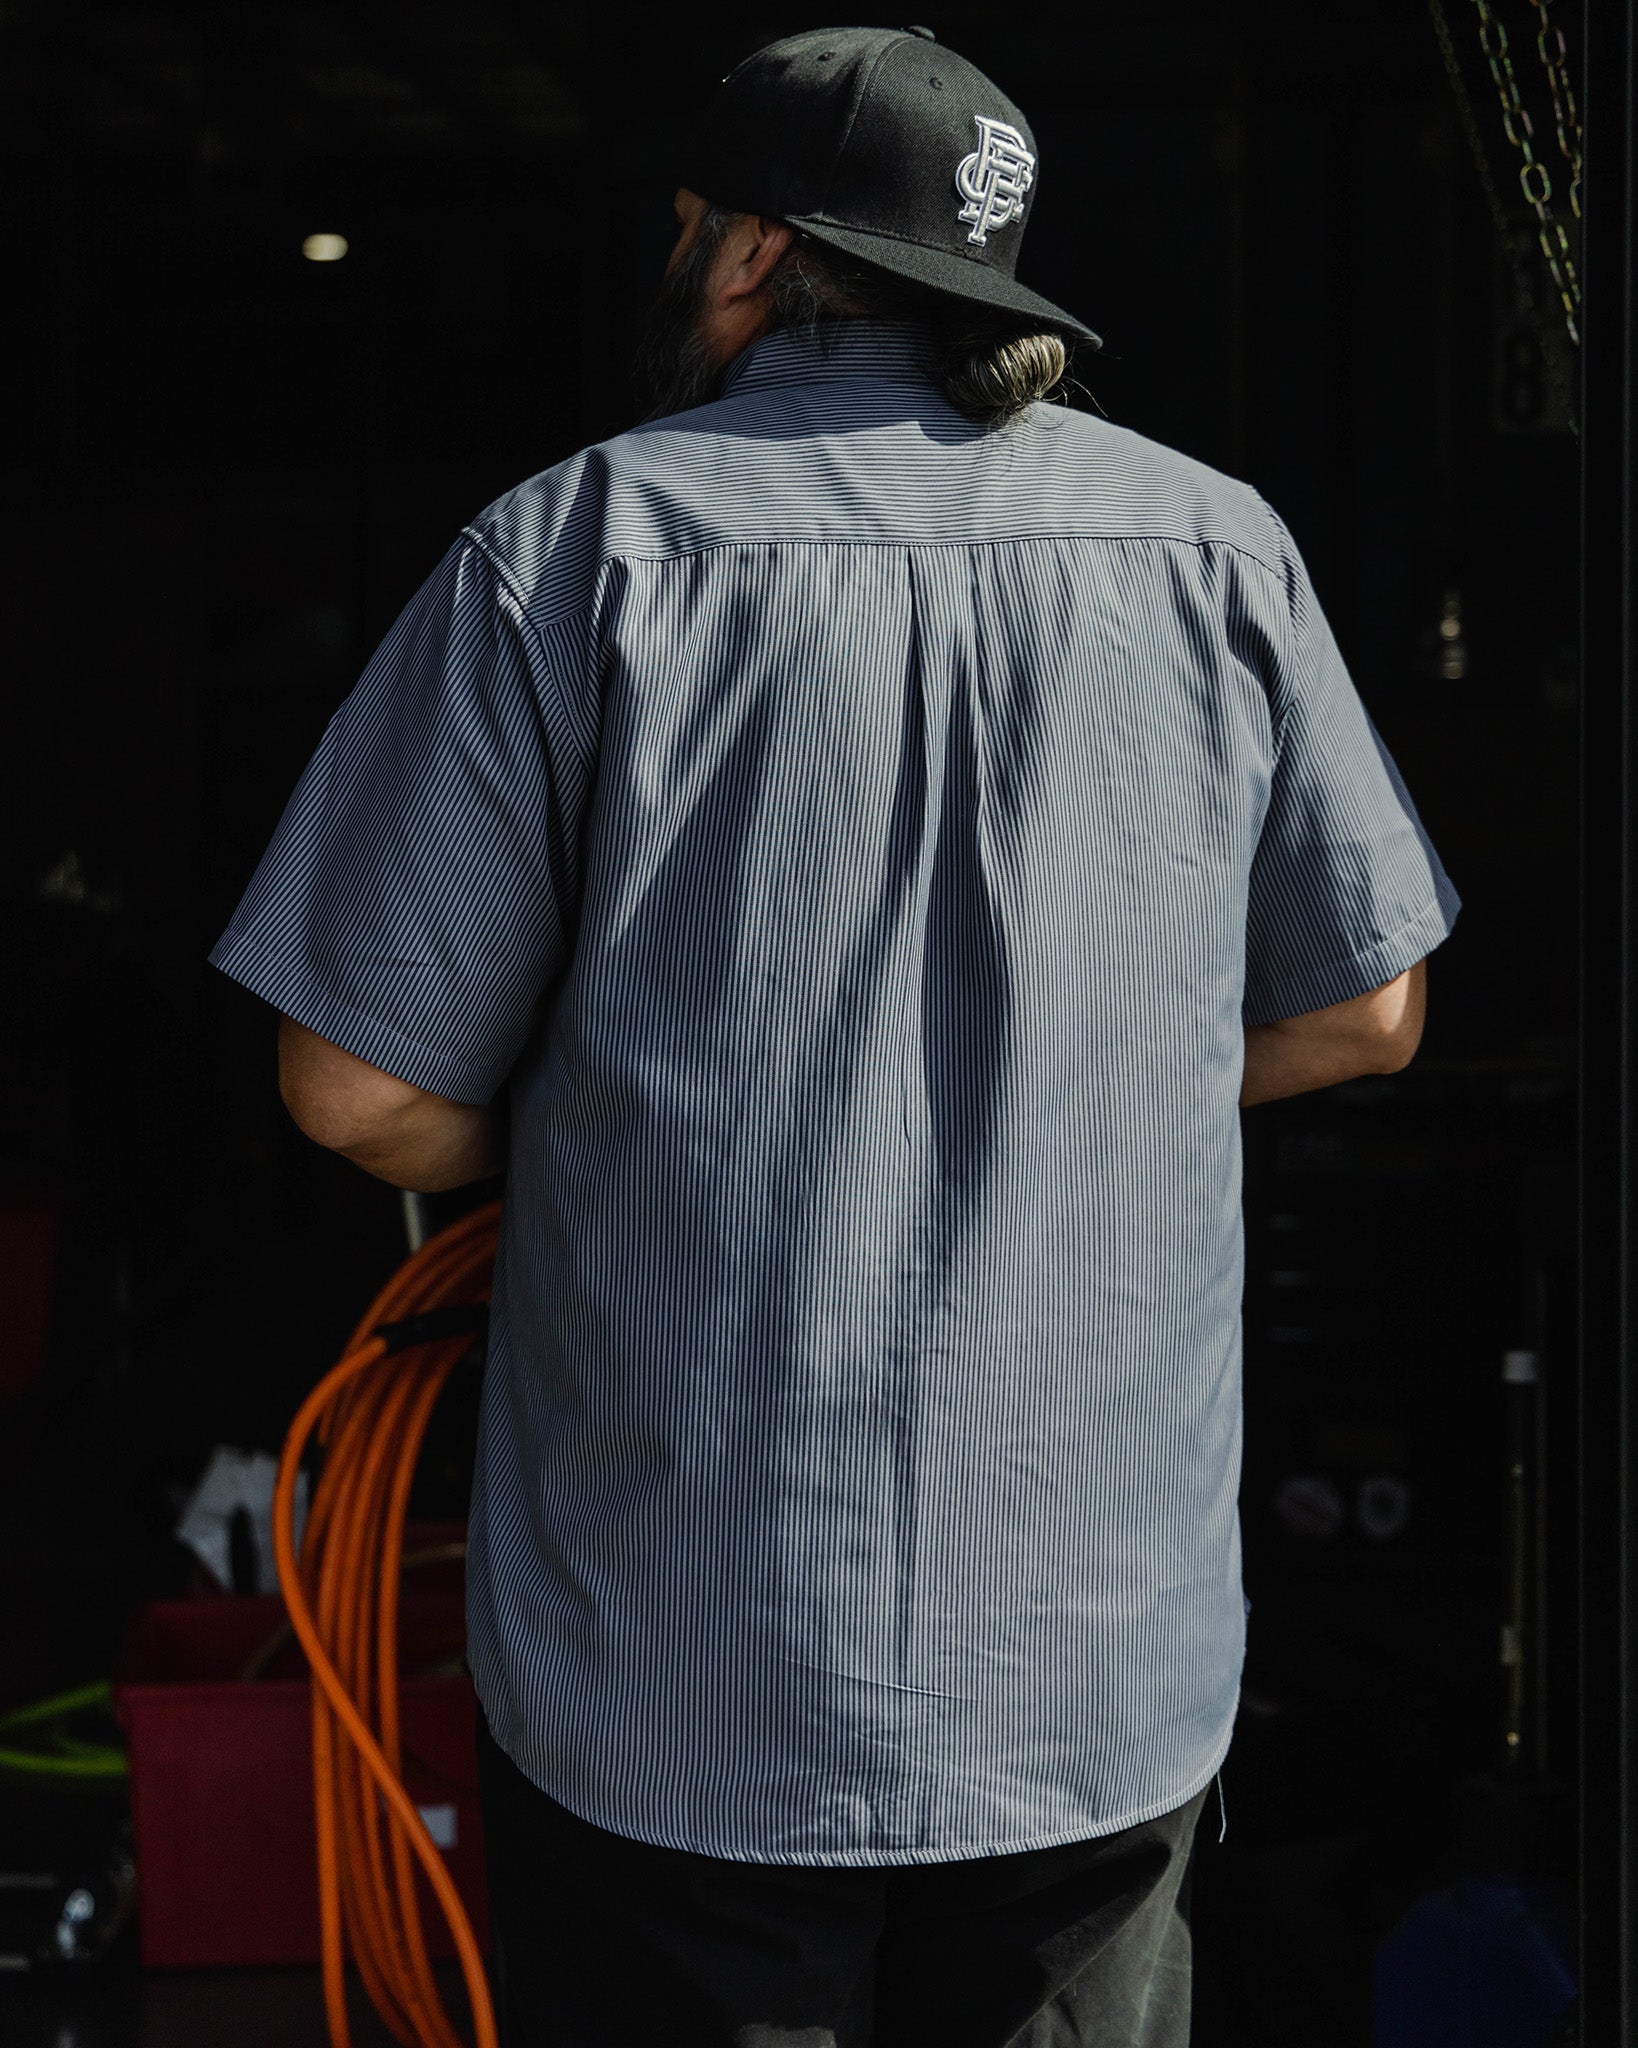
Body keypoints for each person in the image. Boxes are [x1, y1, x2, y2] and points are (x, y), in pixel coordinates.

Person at [208, 24, 1460, 2047]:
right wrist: (1093, 1081)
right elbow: (1367, 1012)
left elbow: (352, 1085)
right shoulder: (1219, 548)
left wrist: (602, 1137)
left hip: (687, 1677)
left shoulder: (571, 552)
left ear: (741, 252)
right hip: (1093, 1682)